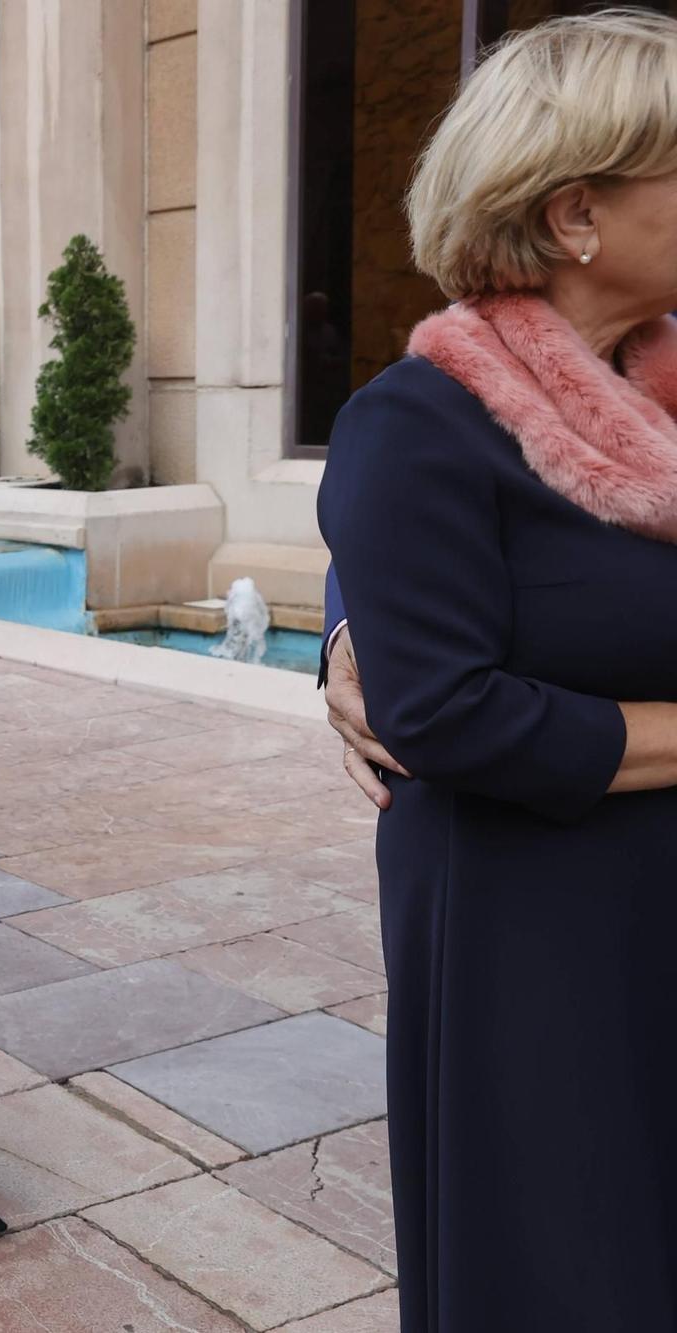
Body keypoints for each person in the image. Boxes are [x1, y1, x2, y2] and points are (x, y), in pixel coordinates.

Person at [318, 14, 677, 1329]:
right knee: (575, 1262)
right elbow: (446, 706)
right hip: (545, 930)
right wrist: (360, 638)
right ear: (577, 211)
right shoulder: (421, 419)